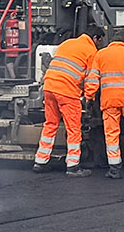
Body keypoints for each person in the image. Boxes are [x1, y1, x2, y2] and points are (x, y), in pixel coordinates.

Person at [34, 27, 98, 177]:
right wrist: (89, 98)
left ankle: (40, 162)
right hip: (67, 92)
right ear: (96, 38)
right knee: (73, 129)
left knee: (50, 125)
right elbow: (91, 79)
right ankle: (73, 166)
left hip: (49, 87)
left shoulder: (67, 43)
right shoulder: (91, 51)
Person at [86, 32, 124, 180]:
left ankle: (114, 170)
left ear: (111, 41)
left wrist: (89, 98)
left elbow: (93, 79)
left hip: (110, 101)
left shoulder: (101, 55)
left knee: (111, 134)